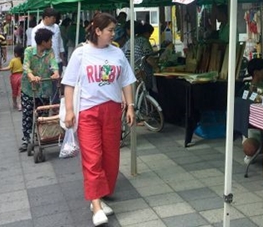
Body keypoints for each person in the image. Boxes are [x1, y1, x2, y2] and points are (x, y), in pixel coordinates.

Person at [61, 13, 135, 226]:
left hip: (112, 111)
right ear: (98, 31)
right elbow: (69, 84)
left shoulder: (118, 53)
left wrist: (130, 106)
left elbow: (126, 81)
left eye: (114, 30)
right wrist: (69, 110)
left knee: (111, 157)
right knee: (92, 157)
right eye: (110, 30)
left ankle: (101, 196)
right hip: (88, 112)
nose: (114, 33)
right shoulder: (81, 54)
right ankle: (95, 205)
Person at [19, 29, 59, 152]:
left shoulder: (50, 52)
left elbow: (54, 64)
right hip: (29, 89)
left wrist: (56, 72)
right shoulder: (29, 51)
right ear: (43, 42)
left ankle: (41, 136)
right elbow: (25, 66)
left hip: (44, 89)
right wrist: (31, 76)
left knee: (43, 115)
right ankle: (26, 139)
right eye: (50, 40)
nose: (52, 42)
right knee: (27, 114)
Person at [123, 22, 158, 94]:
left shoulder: (129, 41)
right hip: (141, 73)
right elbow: (148, 58)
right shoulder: (144, 41)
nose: (149, 36)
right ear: (146, 33)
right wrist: (157, 68)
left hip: (129, 73)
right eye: (149, 34)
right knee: (145, 93)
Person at [30, 7, 66, 72]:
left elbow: (60, 42)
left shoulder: (56, 27)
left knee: (57, 80)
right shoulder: (37, 30)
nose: (55, 20)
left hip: (57, 60)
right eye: (53, 18)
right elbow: (35, 47)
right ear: (46, 17)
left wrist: (62, 59)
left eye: (55, 18)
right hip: (45, 63)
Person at [0, 45, 24, 111]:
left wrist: (1, 69)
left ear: (15, 53)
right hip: (22, 76)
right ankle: (20, 105)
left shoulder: (13, 60)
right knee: (20, 91)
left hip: (14, 77)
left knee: (14, 91)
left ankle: (14, 103)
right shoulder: (23, 59)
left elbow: (9, 68)